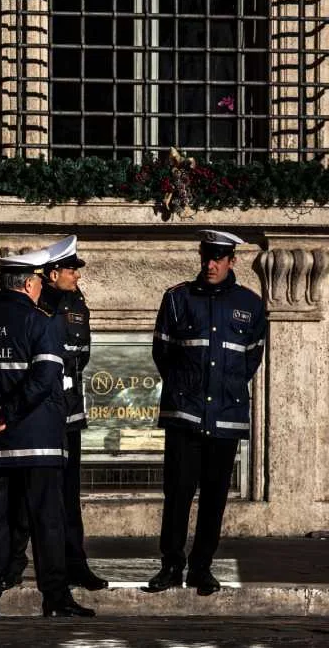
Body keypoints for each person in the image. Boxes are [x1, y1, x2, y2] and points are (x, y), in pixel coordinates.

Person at [0, 246, 95, 618]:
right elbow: (44, 379)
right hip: (38, 442)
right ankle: (56, 598)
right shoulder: (41, 323)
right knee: (47, 519)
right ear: (30, 283)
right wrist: (8, 414)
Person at [147, 230, 267, 596]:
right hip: (185, 415)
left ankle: (202, 567)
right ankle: (170, 565)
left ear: (232, 261)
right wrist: (186, 390)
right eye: (205, 258)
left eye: (217, 258)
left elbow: (252, 358)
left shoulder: (251, 303)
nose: (210, 265)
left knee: (214, 497)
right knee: (178, 493)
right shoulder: (177, 298)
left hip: (225, 418)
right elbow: (162, 354)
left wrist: (225, 391)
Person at [3, 236, 108, 591]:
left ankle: (74, 564)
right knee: (23, 493)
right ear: (50, 274)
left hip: (69, 414)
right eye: (70, 269)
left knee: (68, 494)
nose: (76, 275)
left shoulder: (77, 302)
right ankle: (12, 563)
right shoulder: (31, 306)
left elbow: (82, 355)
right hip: (36, 415)